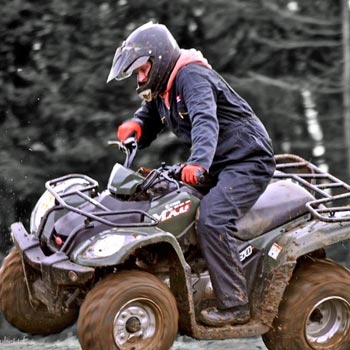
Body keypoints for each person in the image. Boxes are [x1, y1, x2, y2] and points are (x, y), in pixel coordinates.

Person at [107, 22, 275, 327]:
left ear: (158, 61)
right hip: (219, 161)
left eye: (142, 70)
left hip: (246, 161)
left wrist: (198, 163)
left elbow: (204, 121)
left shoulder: (191, 76)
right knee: (159, 194)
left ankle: (236, 305)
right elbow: (150, 116)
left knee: (212, 219)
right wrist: (136, 127)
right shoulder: (165, 87)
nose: (140, 79)